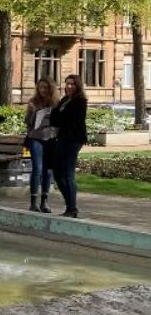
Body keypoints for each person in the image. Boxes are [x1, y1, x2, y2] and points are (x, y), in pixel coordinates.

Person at [51, 74, 88, 218]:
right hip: (62, 138)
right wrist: (58, 116)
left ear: (77, 86)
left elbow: (70, 120)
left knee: (68, 173)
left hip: (73, 140)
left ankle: (72, 208)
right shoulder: (65, 100)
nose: (69, 86)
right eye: (67, 84)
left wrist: (60, 118)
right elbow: (55, 119)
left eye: (72, 84)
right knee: (57, 173)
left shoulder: (80, 101)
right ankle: (69, 205)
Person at [24, 78, 59, 213]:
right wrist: (32, 112)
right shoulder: (33, 102)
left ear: (51, 89)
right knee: (37, 168)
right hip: (36, 137)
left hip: (50, 138)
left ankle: (44, 201)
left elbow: (59, 122)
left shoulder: (56, 103)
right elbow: (27, 122)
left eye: (46, 88)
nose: (43, 90)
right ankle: (33, 202)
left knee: (47, 170)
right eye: (41, 88)